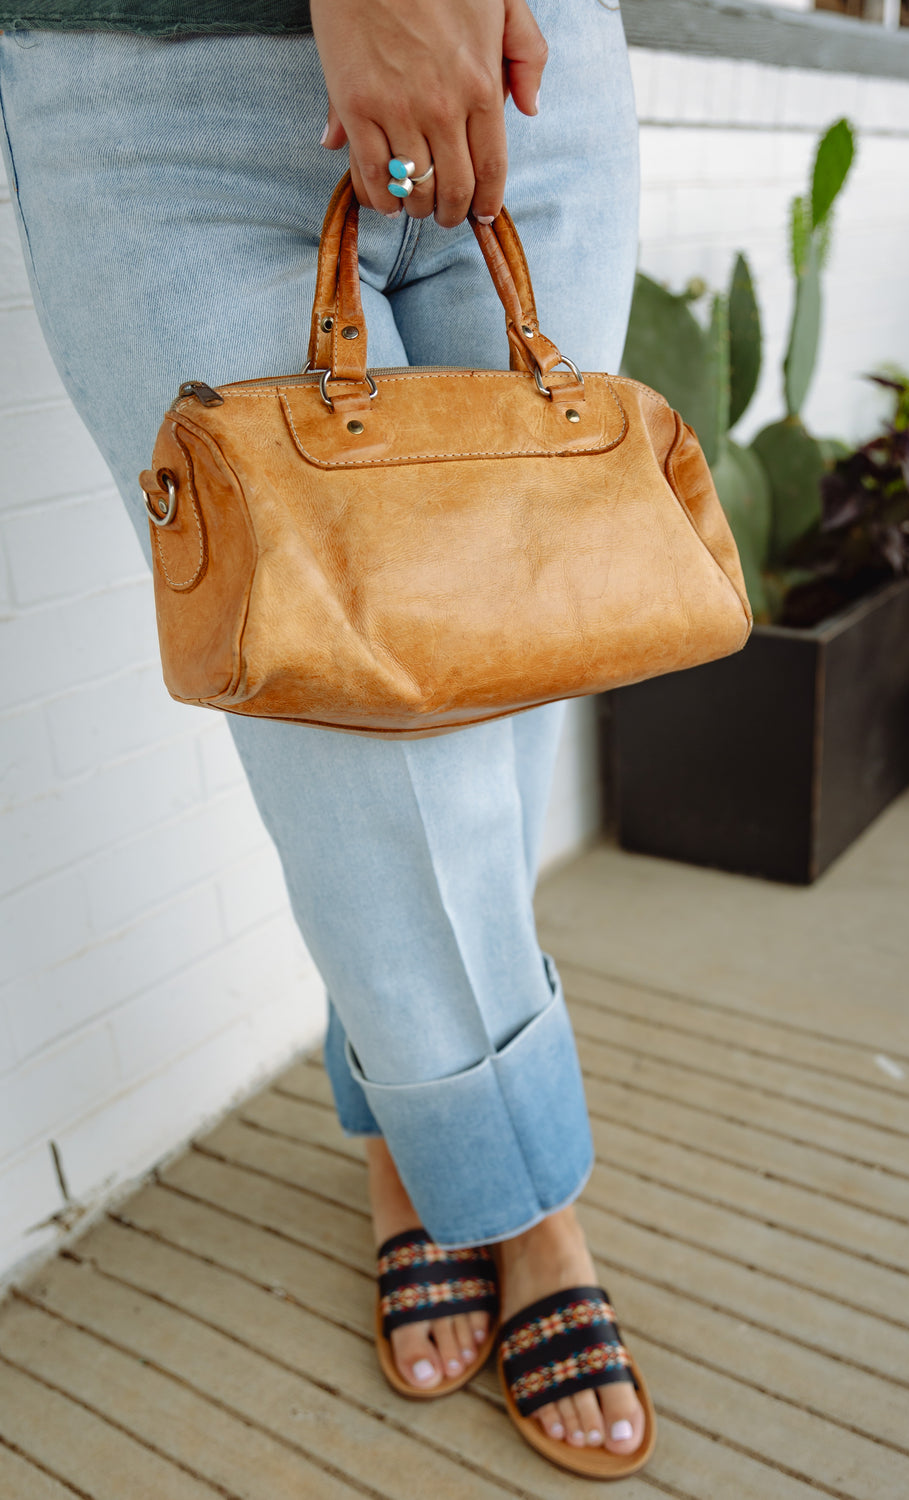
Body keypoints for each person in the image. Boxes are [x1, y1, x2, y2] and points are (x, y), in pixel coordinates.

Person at [0, 0, 651, 1477]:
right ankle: (528, 1206)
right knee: (361, 765)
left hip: (531, 66)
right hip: (157, 91)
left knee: (506, 698)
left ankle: (405, 1142)